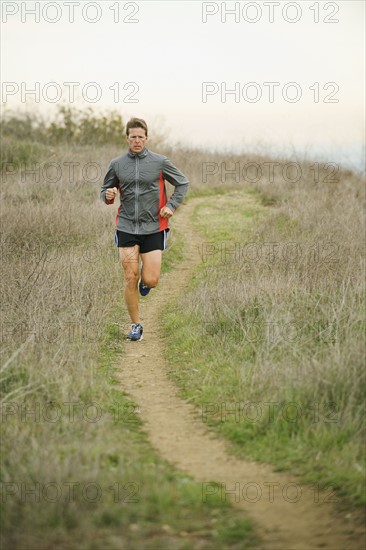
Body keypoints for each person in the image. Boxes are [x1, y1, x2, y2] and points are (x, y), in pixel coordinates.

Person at [101, 117, 189, 341]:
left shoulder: (160, 162)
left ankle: (146, 285)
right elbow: (106, 190)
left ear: (147, 138)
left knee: (150, 280)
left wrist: (171, 205)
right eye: (133, 137)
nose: (137, 141)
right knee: (130, 276)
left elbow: (182, 183)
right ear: (127, 138)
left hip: (153, 227)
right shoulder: (117, 164)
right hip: (127, 227)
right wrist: (108, 195)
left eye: (141, 137)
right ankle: (135, 325)